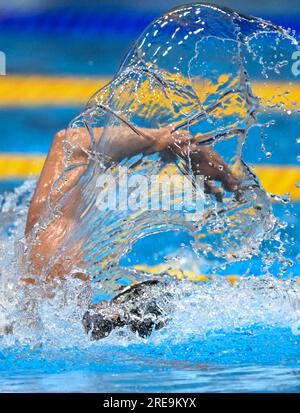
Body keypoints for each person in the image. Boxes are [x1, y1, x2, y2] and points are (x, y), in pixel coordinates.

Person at [24, 125, 239, 338]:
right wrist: (174, 141)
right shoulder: (50, 284)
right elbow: (70, 142)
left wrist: (170, 140)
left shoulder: (45, 290)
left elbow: (69, 143)